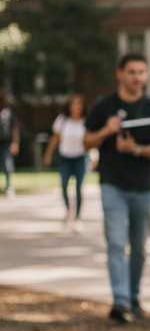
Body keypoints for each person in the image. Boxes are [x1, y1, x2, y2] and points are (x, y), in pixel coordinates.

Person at [84, 54, 150, 323]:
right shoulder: (105, 105)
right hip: (113, 185)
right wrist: (106, 132)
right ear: (120, 73)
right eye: (132, 72)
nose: (137, 77)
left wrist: (136, 149)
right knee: (116, 243)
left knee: (139, 248)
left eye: (142, 72)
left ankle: (133, 298)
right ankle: (120, 302)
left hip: (143, 187)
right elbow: (87, 142)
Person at [43, 93, 89, 229]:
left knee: (79, 188)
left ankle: (78, 217)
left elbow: (90, 140)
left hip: (81, 158)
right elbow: (54, 139)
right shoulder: (62, 120)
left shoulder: (86, 122)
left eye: (79, 103)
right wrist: (48, 154)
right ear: (69, 106)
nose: (76, 106)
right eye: (74, 103)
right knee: (64, 187)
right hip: (65, 158)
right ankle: (69, 212)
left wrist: (94, 155)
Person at [0, 89, 19, 196]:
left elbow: (14, 128)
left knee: (8, 164)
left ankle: (9, 186)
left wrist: (15, 142)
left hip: (7, 142)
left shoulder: (9, 113)